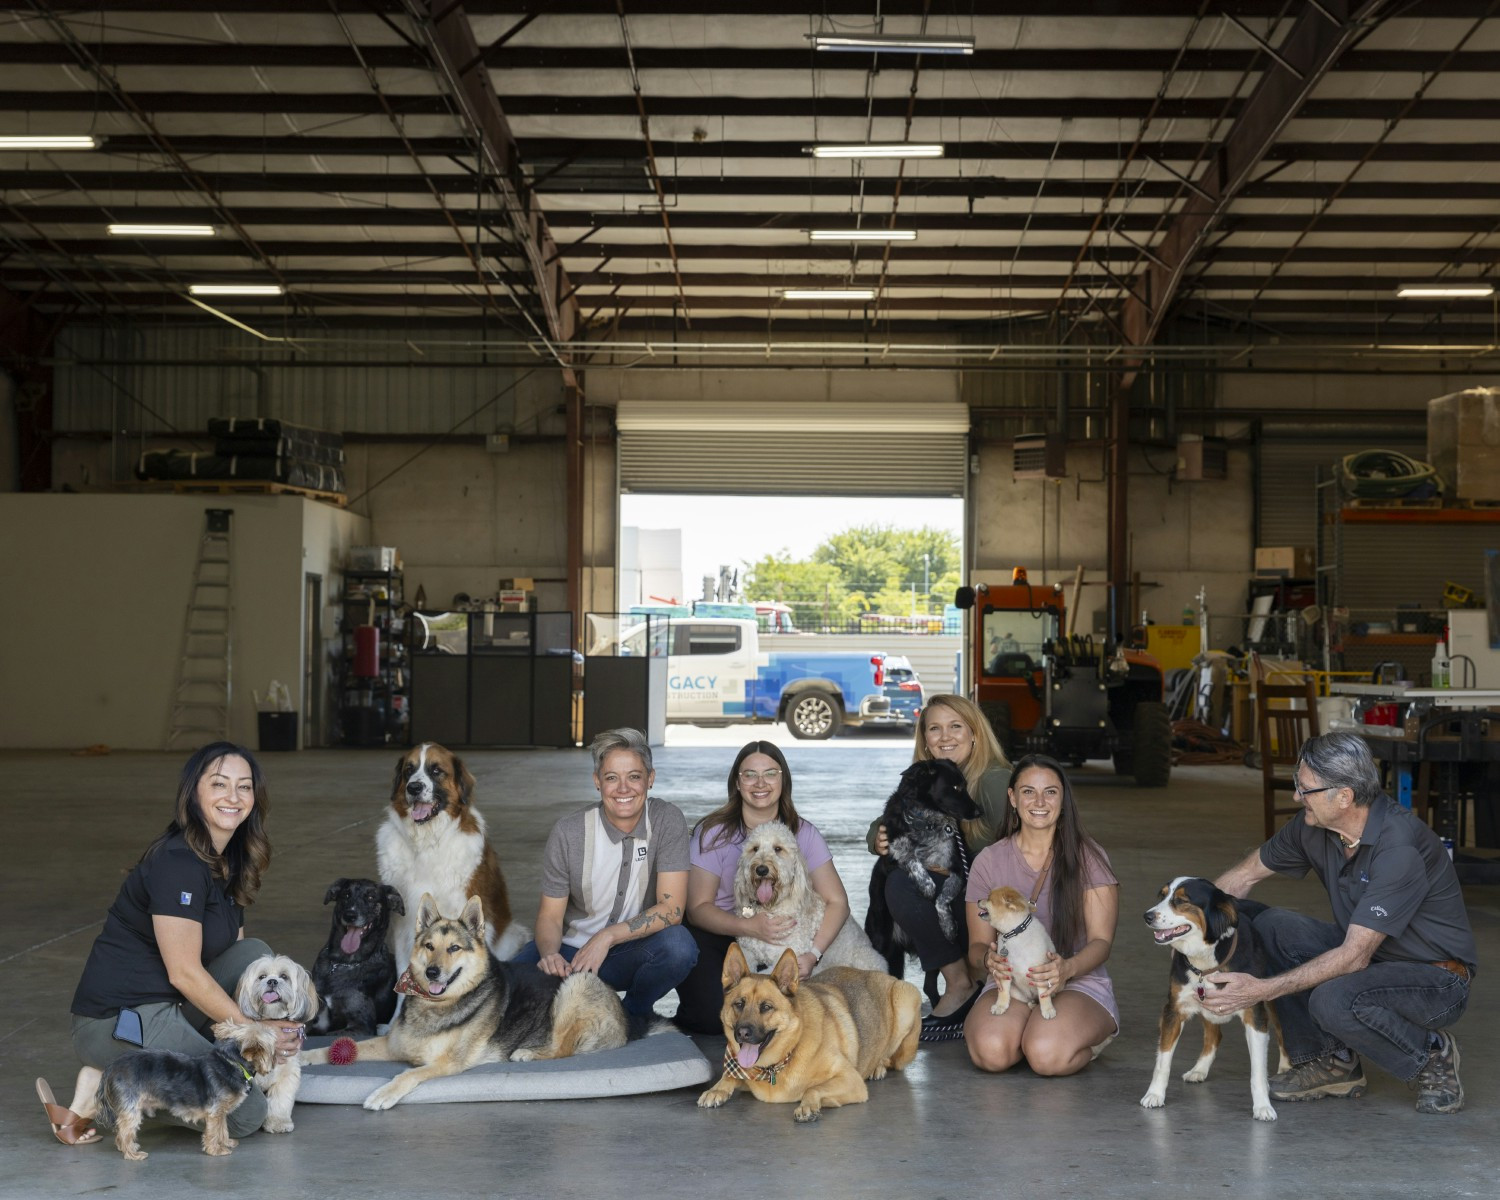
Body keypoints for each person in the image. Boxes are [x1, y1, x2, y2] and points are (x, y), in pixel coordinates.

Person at [37, 742, 302, 1147]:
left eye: (244, 787)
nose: (233, 797)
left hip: (168, 1005)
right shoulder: (177, 863)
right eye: (219, 784)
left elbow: (233, 956)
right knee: (245, 1113)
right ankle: (110, 1084)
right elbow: (184, 972)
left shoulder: (229, 859)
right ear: (193, 793)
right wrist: (255, 1034)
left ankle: (131, 1074)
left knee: (253, 955)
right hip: (116, 1021)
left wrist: (266, 1027)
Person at [1205, 732, 1476, 1114]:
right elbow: (1244, 876)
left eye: (1306, 788)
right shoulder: (1313, 825)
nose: (1296, 797)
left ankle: (1431, 1054)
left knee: (1334, 1000)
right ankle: (1332, 1063)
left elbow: (1352, 959)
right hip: (1373, 955)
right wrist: (1194, 928)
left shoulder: (1397, 848)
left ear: (1344, 796)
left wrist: (1258, 990)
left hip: (1434, 980)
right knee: (1269, 926)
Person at [674, 740, 859, 1034]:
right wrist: (750, 925)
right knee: (715, 1016)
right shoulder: (713, 833)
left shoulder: (803, 833)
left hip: (777, 927)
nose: (760, 783)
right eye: (750, 775)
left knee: (792, 1012)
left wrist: (812, 954)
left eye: (770, 773)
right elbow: (697, 909)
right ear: (737, 782)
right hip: (718, 930)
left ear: (783, 780)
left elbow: (837, 901)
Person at [513, 727, 697, 1019]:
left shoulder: (666, 820)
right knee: (511, 985)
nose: (623, 789)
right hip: (571, 953)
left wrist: (606, 937)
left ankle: (631, 1014)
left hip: (631, 954)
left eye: (634, 776)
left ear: (650, 779)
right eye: (612, 778)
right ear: (597, 781)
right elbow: (550, 916)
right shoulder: (569, 832)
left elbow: (672, 909)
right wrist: (550, 955)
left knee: (679, 947)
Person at [962, 754, 1120, 1074]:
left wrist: (1066, 968)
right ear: (1012, 798)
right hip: (1014, 983)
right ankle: (1026, 1031)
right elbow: (977, 948)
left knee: (1048, 1056)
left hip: (1075, 980)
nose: (1039, 801)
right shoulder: (989, 861)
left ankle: (1060, 1036)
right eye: (1028, 791)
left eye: (1050, 792)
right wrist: (986, 961)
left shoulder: (1089, 857)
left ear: (1063, 800)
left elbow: (1101, 942)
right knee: (990, 1053)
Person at [867, 694, 1010, 1040]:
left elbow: (1019, 859)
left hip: (991, 911)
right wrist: (877, 835)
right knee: (894, 878)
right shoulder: (927, 777)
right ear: (926, 741)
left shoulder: (995, 781)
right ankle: (899, 988)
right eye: (935, 728)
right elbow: (895, 814)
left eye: (955, 726)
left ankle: (963, 981)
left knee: (902, 884)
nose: (945, 737)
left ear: (975, 733)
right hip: (956, 903)